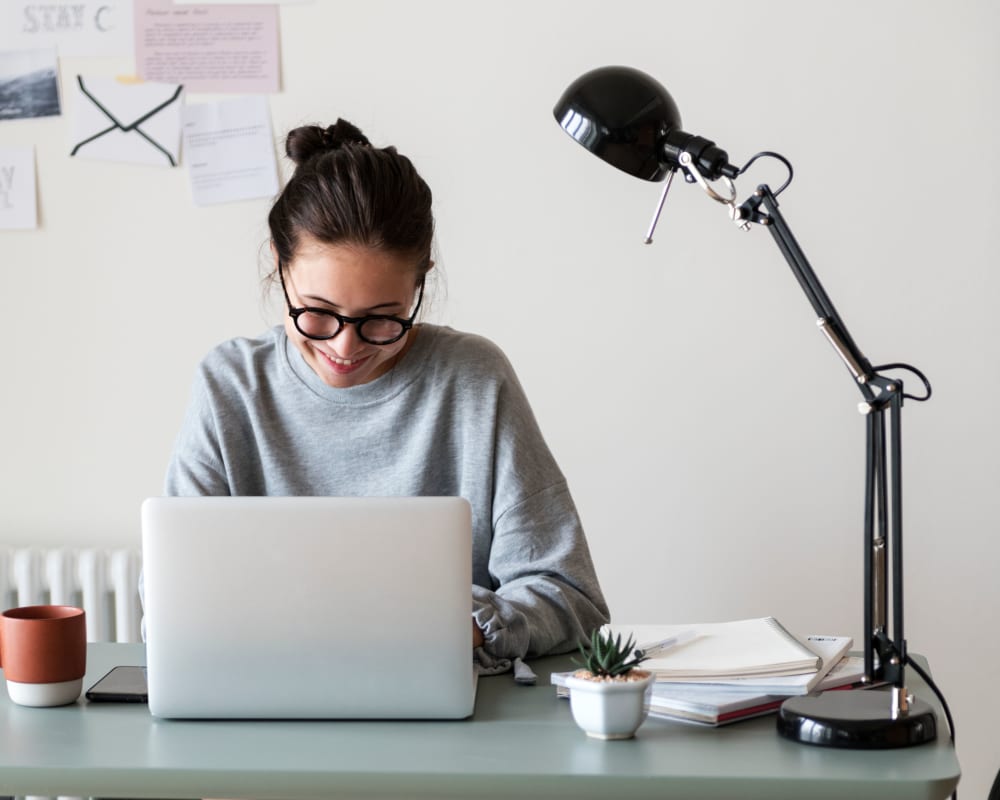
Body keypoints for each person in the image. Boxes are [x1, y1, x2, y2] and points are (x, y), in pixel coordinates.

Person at [163, 118, 609, 661]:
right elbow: (172, 593)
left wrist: (460, 626)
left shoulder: (474, 380)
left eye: (382, 319)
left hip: (444, 714)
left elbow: (571, 597)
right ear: (279, 271)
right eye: (318, 314)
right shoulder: (230, 385)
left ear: (418, 287)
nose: (346, 348)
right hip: (261, 702)